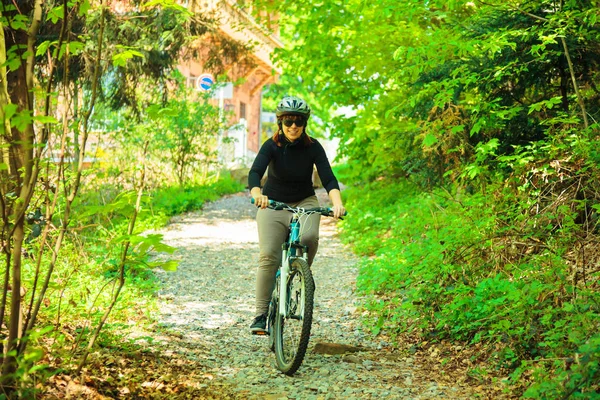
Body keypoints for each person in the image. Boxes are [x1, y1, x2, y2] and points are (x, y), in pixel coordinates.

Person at [247, 95, 345, 334]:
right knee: (269, 255)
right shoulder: (271, 145)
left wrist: (337, 203)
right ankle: (261, 315)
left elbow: (328, 177)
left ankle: (301, 274)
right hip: (273, 203)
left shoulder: (313, 147)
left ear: (304, 123)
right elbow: (255, 172)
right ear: (280, 122)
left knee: (309, 238)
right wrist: (258, 193)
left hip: (305, 201)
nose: (293, 126)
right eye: (288, 121)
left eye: (298, 121)